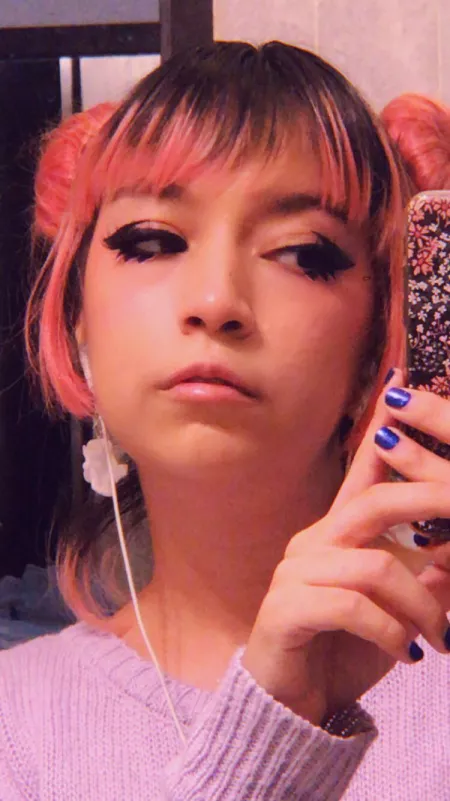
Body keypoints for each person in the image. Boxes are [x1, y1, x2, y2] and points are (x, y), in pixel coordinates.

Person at [1, 41, 450, 800]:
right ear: (79, 321)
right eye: (152, 241)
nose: (215, 301)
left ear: (379, 336)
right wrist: (274, 728)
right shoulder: (14, 728)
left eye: (303, 253)